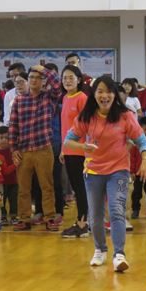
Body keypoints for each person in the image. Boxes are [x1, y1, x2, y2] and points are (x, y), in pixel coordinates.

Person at [64, 76, 146, 272]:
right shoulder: (86, 117)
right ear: (94, 95)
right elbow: (68, 141)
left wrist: (145, 160)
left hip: (118, 171)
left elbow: (142, 141)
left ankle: (119, 254)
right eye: (100, 91)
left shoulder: (125, 116)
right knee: (95, 216)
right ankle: (100, 249)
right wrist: (83, 146)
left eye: (109, 91)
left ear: (115, 95)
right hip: (93, 172)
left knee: (116, 211)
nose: (105, 95)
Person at [8, 65, 63, 231]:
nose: (33, 80)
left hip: (43, 148)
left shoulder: (49, 97)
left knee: (47, 186)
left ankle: (50, 217)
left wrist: (43, 69)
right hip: (23, 150)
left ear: (43, 81)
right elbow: (13, 125)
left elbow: (57, 84)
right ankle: (24, 218)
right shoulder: (19, 100)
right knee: (23, 188)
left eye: (38, 78)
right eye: (31, 77)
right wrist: (13, 149)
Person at [58, 64, 89, 238]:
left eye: (71, 77)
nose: (67, 81)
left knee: (81, 188)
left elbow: (86, 126)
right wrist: (63, 150)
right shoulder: (65, 98)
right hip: (68, 150)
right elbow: (66, 127)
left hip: (80, 151)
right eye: (65, 78)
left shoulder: (82, 98)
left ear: (79, 80)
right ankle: (82, 221)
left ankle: (83, 224)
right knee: (77, 188)